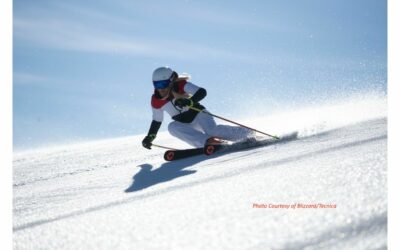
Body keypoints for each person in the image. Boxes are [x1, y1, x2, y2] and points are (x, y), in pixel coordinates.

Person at [142, 66, 255, 150]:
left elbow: (201, 92)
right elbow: (157, 121)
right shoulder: (156, 101)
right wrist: (150, 137)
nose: (160, 89)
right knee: (172, 127)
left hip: (199, 114)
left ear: (171, 81)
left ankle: (246, 134)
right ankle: (207, 143)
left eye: (162, 84)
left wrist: (190, 101)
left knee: (211, 130)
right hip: (186, 123)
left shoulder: (181, 85)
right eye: (157, 85)